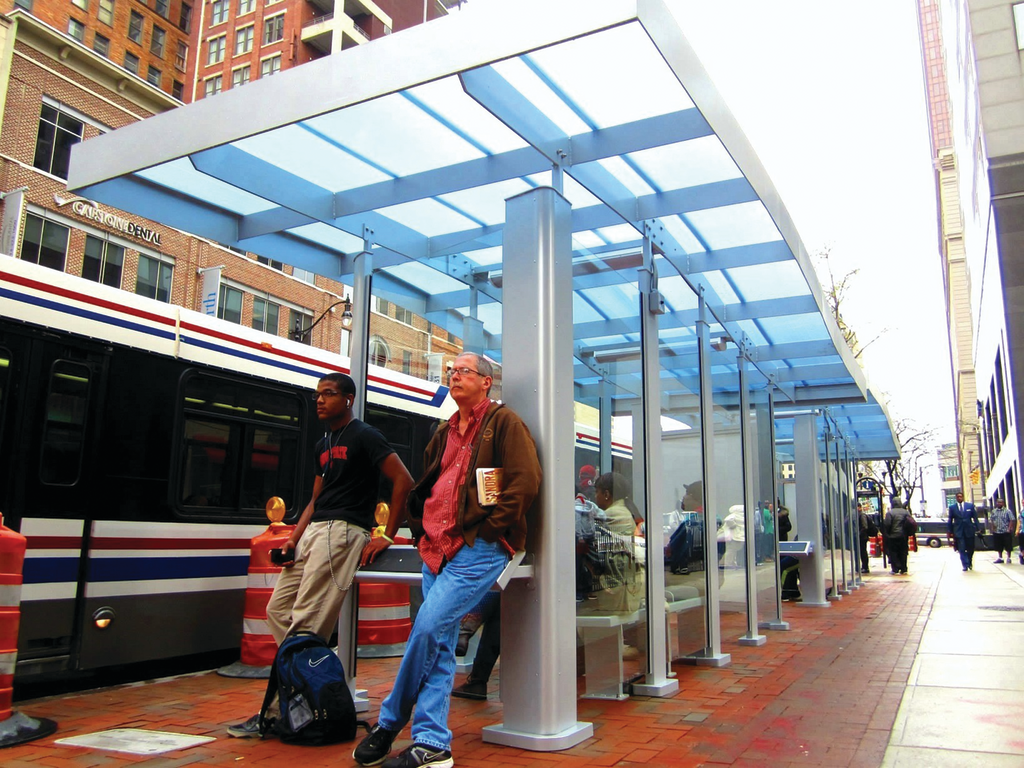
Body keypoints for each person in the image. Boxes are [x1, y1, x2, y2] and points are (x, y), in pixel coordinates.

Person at [353, 352, 541, 768]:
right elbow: (429, 484)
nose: (454, 377)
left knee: (425, 630)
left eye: (463, 372)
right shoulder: (444, 431)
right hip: (435, 550)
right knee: (436, 644)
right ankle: (433, 744)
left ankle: (389, 721)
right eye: (451, 372)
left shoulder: (503, 423)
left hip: (477, 548)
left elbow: (525, 480)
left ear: (486, 382)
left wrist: (492, 531)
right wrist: (418, 529)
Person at [227, 372, 413, 738]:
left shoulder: (365, 435)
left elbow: (404, 479)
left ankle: (283, 709)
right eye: (318, 395)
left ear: (349, 399)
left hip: (343, 533)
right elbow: (315, 499)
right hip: (314, 533)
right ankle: (313, 687)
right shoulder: (323, 443)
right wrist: (293, 539)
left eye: (329, 394)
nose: (320, 400)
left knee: (306, 624)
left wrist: (387, 536)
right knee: (278, 611)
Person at [948, 492, 981, 571]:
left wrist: (978, 528)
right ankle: (965, 564)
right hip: (959, 531)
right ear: (956, 498)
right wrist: (950, 531)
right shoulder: (952, 507)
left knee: (970, 548)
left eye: (961, 497)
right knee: (961, 548)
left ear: (963, 497)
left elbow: (975, 518)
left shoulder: (970, 506)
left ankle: (969, 561)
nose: (959, 498)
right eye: (958, 497)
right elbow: (950, 520)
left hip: (969, 530)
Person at [882, 498, 913, 575]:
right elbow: (910, 523)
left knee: (893, 552)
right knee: (903, 552)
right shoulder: (906, 512)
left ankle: (895, 569)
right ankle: (904, 568)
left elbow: (887, 524)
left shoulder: (890, 513)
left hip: (893, 536)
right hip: (903, 536)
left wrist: (887, 534)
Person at [989, 497, 1015, 564]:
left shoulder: (1007, 511)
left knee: (1008, 545)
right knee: (998, 546)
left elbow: (1011, 520)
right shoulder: (994, 511)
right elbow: (991, 519)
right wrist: (992, 528)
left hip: (1005, 531)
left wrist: (1009, 528)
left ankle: (1009, 558)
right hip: (997, 531)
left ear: (1003, 503)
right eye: (998, 502)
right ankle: (1000, 558)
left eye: (1001, 502)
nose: (999, 503)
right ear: (996, 503)